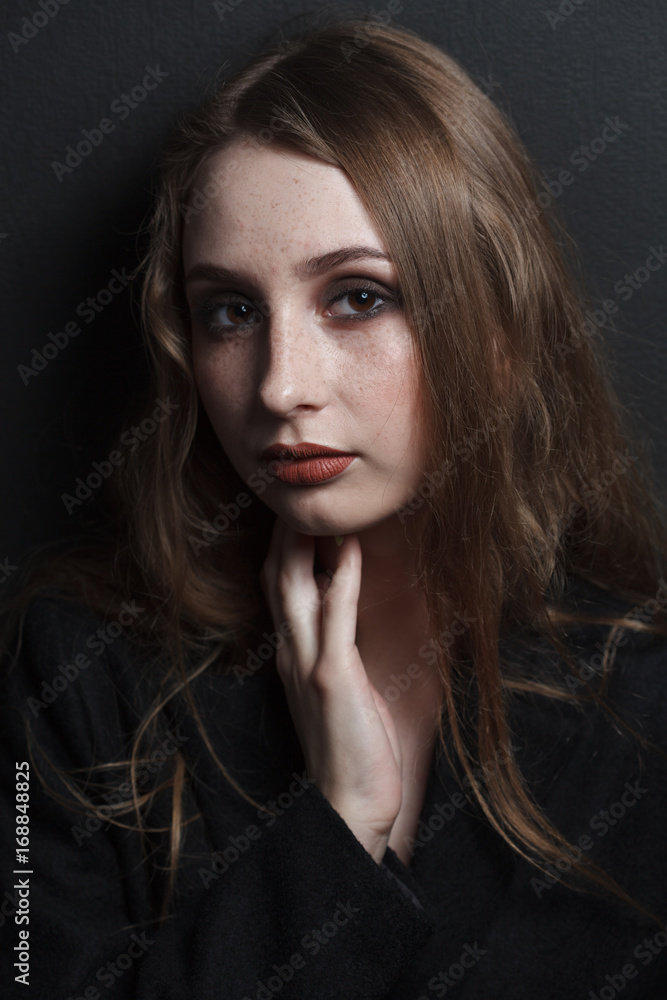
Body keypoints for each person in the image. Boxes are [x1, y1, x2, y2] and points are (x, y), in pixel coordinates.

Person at [1, 16, 667, 1000]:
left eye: (357, 297)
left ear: (497, 331)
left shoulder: (641, 695)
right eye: (230, 310)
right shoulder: (74, 677)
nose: (278, 386)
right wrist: (336, 823)